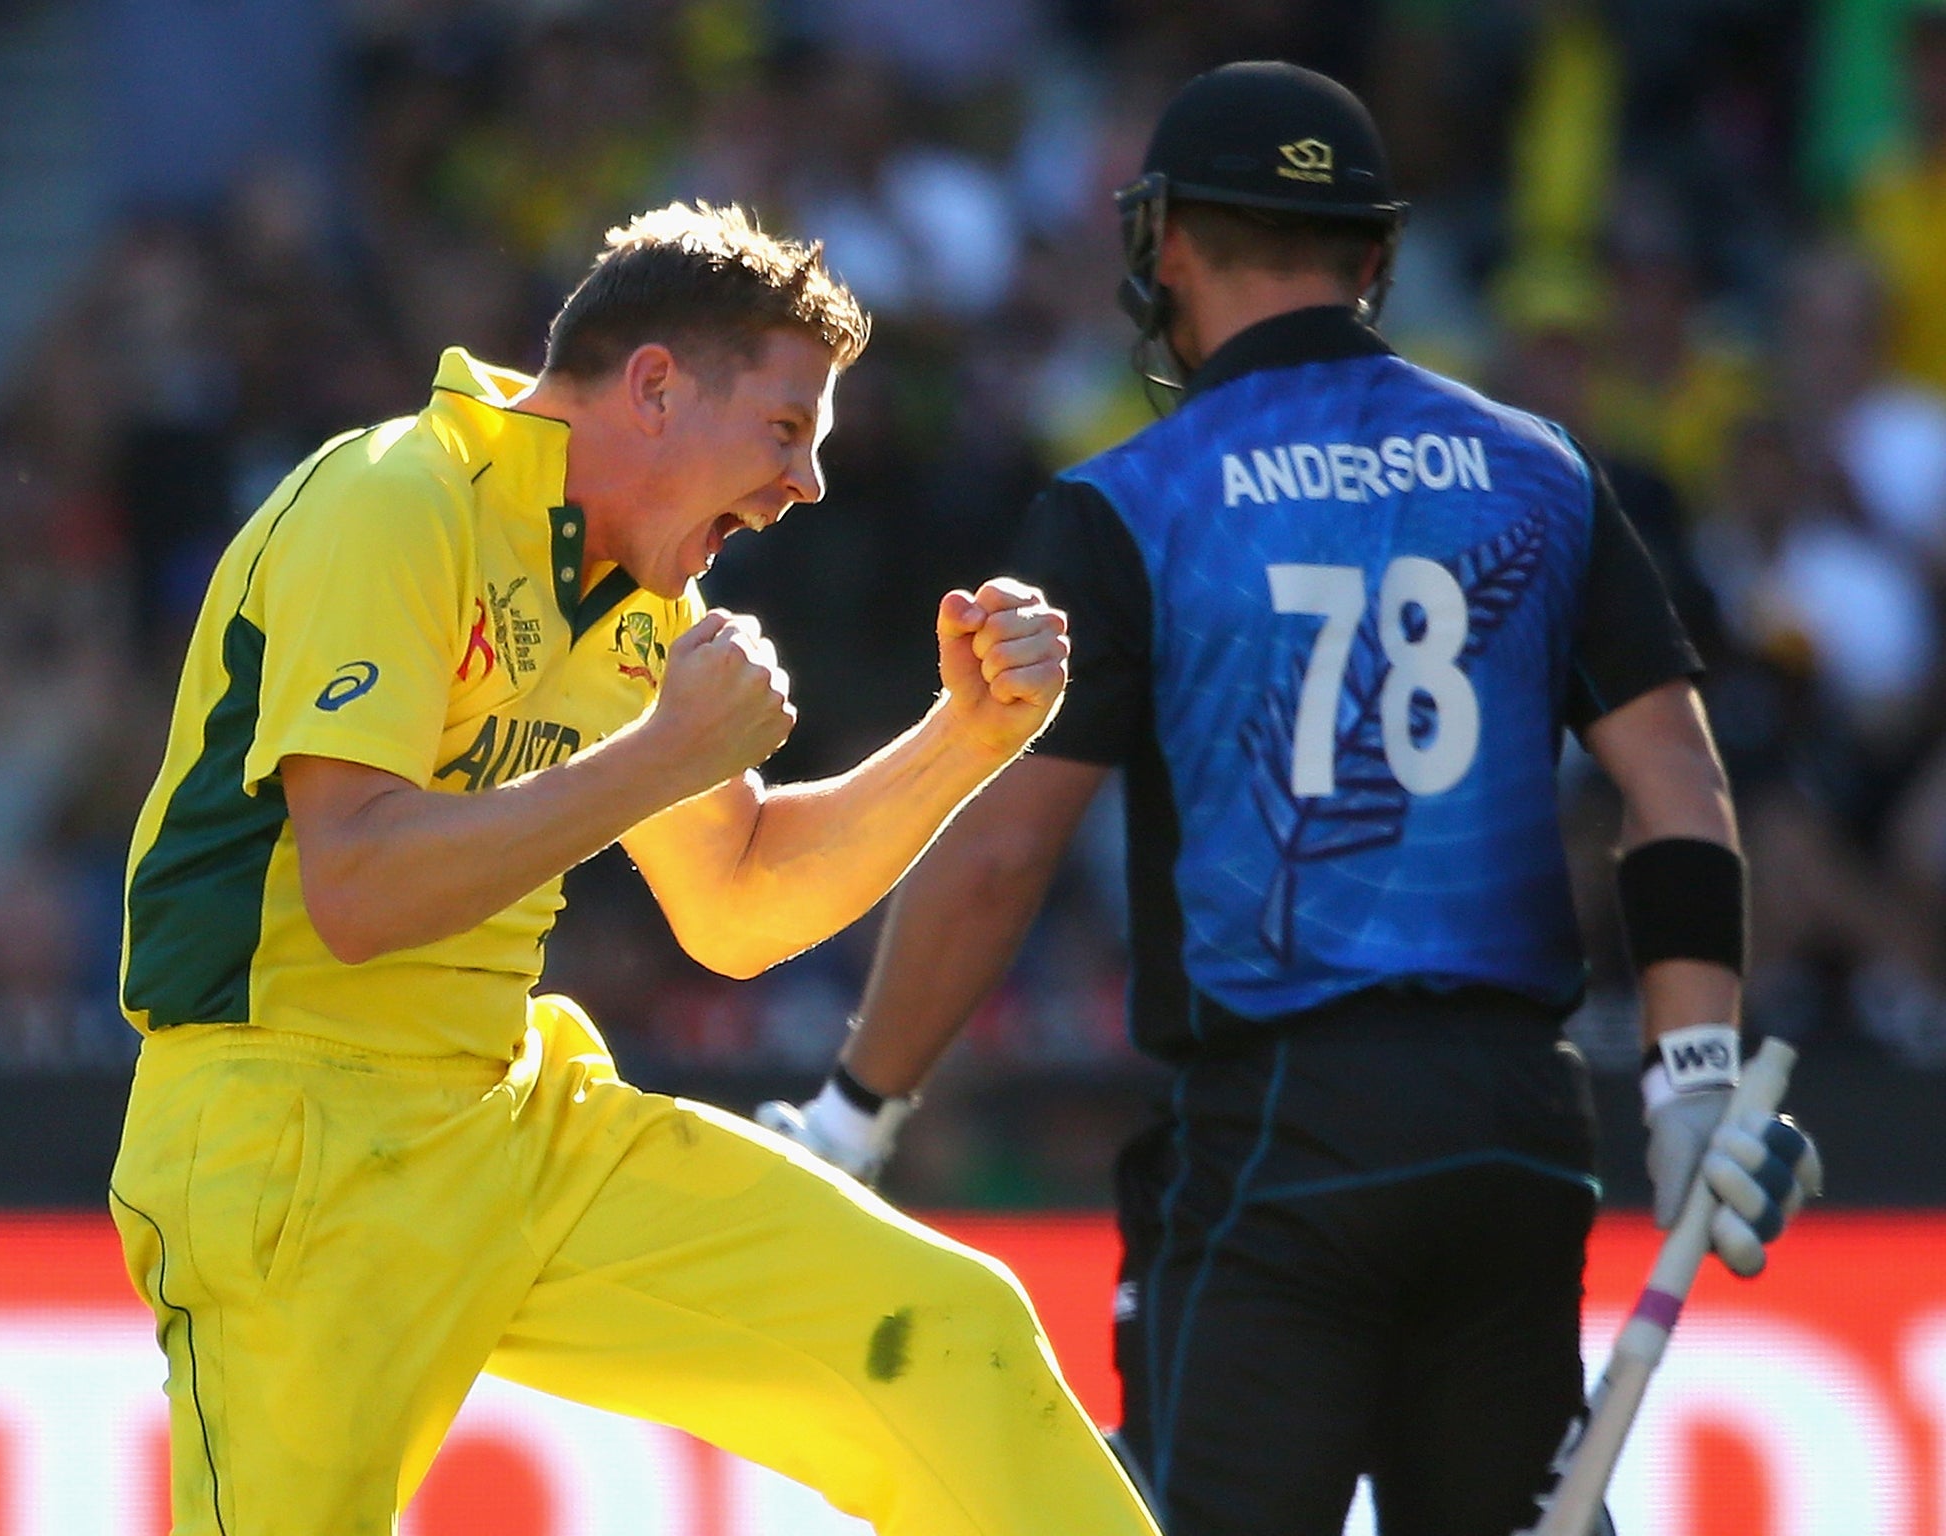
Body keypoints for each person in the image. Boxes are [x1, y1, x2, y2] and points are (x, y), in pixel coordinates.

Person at [758, 64, 1821, 1536]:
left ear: (1167, 245)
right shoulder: (1542, 471)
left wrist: (857, 1110)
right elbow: (1677, 779)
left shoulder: (1128, 501)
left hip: (1283, 1134)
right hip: (1519, 1130)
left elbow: (1001, 849)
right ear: (1376, 258)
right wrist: (1695, 1070)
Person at [108, 201, 1163, 1536]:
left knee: (947, 1338)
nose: (810, 485)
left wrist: (971, 738)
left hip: (509, 1117)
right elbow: (358, 890)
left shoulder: (642, 601)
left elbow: (738, 902)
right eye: (787, 430)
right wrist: (656, 758)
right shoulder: (396, 498)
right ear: (655, 385)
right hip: (288, 1140)